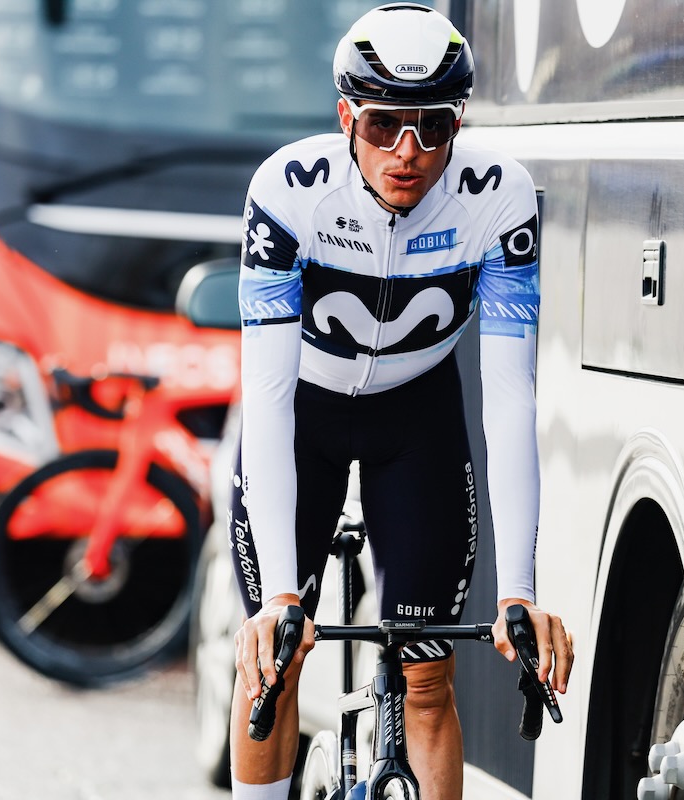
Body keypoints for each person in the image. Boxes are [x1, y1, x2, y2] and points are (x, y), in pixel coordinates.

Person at [226, 4, 573, 798]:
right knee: (272, 662)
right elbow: (268, 396)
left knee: (426, 678)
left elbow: (509, 400)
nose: (407, 152)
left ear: (459, 124)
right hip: (303, 415)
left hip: (417, 417)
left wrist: (519, 592)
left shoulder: (500, 197)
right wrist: (280, 597)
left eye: (432, 127)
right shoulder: (288, 191)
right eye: (384, 125)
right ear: (346, 117)